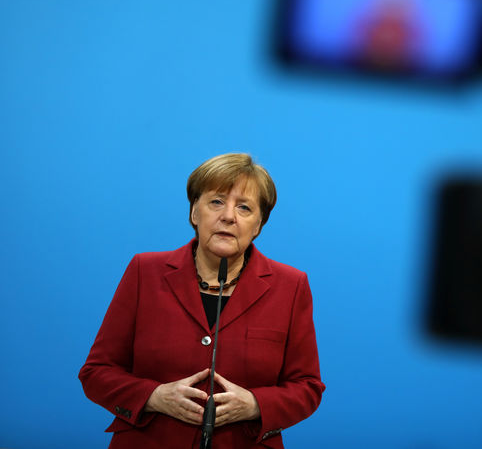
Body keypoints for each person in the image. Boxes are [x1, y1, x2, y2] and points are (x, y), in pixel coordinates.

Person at [79, 153, 324, 449]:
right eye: (216, 202)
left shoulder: (290, 286)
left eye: (244, 207)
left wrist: (255, 404)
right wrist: (154, 397)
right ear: (195, 212)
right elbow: (96, 373)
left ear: (258, 224)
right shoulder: (145, 271)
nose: (228, 216)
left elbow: (307, 387)